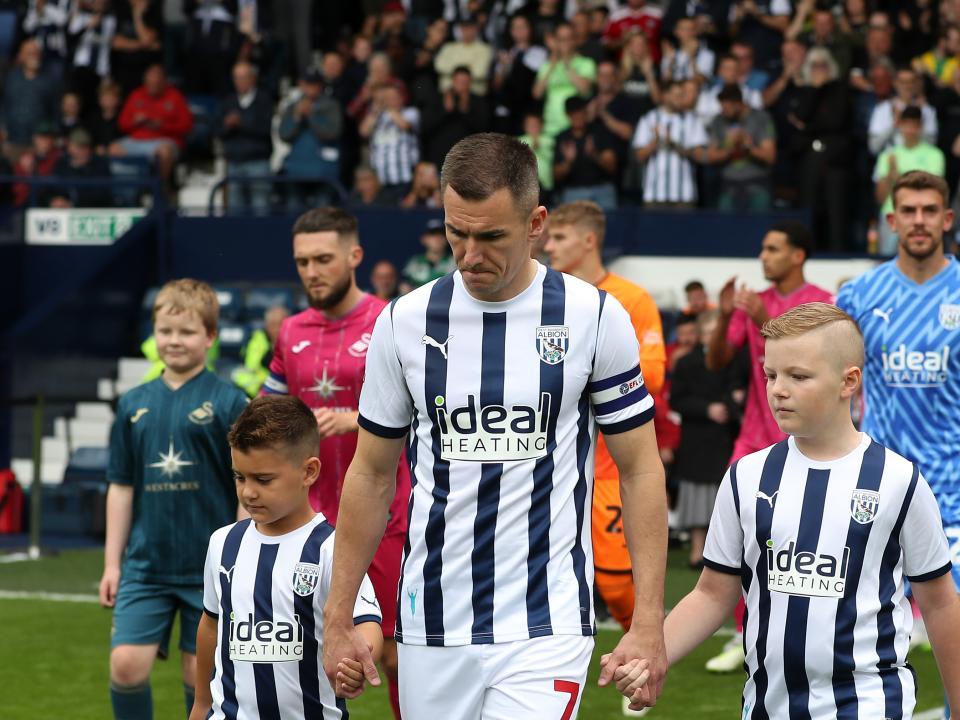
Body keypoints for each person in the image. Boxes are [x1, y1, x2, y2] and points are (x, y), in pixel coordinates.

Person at [321, 133, 669, 717]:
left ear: (536, 223)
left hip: (547, 622)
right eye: (457, 233)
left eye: (491, 236)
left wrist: (648, 622)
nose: (469, 254)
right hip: (432, 622)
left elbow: (639, 469)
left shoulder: (595, 317)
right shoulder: (405, 321)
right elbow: (372, 475)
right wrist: (337, 621)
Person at [620, 301, 960, 716]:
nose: (778, 389)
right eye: (771, 374)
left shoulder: (898, 480)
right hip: (766, 707)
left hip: (870, 705)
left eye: (798, 376)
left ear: (848, 381)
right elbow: (713, 593)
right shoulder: (746, 476)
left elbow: (941, 603)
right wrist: (651, 657)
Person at [262, 207, 411, 719]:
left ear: (355, 256)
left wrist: (357, 421)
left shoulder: (393, 321)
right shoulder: (290, 332)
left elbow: (430, 416)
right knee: (300, 652)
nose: (311, 271)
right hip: (307, 523)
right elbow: (268, 417)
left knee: (393, 653)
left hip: (386, 518)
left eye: (323, 259)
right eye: (302, 261)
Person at [836, 170, 960, 715]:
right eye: (907, 211)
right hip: (878, 489)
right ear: (891, 221)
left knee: (952, 625)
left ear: (947, 219)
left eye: (929, 210)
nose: (918, 221)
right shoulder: (859, 295)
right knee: (861, 634)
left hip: (955, 489)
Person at [99, 279, 249, 720]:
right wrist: (112, 563)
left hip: (208, 568)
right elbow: (121, 486)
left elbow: (245, 486)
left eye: (186, 332)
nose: (174, 341)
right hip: (146, 566)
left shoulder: (230, 401)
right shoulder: (132, 404)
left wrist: (242, 557)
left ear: (210, 337)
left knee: (198, 677)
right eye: (165, 331)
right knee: (125, 665)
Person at [542, 199, 666, 714]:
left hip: (612, 469)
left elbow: (654, 376)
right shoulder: (547, 300)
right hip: (555, 471)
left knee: (617, 580)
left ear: (589, 240)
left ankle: (641, 661)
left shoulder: (631, 300)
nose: (549, 247)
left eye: (560, 238)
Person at [189, 395, 384, 720]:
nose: (248, 491)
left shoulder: (333, 548)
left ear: (308, 472)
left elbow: (365, 623)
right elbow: (211, 625)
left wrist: (355, 662)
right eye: (240, 477)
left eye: (263, 480)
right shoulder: (223, 544)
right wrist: (200, 703)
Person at [703, 221, 833, 673]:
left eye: (773, 248)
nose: (764, 256)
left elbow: (806, 356)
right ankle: (745, 637)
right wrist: (723, 316)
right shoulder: (752, 301)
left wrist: (760, 319)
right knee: (742, 543)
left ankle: (801, 637)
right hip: (753, 441)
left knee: (804, 547)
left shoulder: (820, 302)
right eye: (763, 248)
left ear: (798, 255)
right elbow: (716, 361)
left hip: (806, 444)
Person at [668, 312, 736, 569]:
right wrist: (708, 409)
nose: (711, 337)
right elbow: (677, 400)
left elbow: (739, 390)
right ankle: (697, 551)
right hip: (696, 438)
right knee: (697, 496)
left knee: (723, 496)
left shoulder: (732, 361)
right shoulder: (686, 363)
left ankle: (720, 554)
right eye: (707, 333)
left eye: (715, 332)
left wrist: (729, 406)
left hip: (725, 437)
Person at [872, 107, 946, 255]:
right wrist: (890, 176)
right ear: (900, 125)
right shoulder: (888, 155)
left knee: (924, 258)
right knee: (887, 261)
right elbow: (880, 198)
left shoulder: (935, 155)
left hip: (923, 215)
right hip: (891, 214)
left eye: (914, 125)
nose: (910, 130)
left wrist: (898, 177)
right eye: (907, 124)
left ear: (921, 126)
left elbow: (936, 191)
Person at [633, 80, 708, 208]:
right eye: (677, 95)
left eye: (682, 95)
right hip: (654, 195)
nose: (681, 99)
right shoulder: (648, 119)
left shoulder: (692, 121)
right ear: (665, 96)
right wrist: (654, 143)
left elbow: (700, 155)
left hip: (684, 196)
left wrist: (673, 144)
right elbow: (639, 156)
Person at [116, 64, 193, 188]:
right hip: (137, 140)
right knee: (113, 149)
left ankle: (159, 190)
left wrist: (162, 125)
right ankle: (126, 190)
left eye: (157, 83)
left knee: (164, 152)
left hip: (164, 140)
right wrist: (135, 122)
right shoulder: (136, 95)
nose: (153, 86)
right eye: (150, 83)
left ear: (164, 81)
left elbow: (187, 126)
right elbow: (122, 124)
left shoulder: (175, 96)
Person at [705, 84, 776, 211]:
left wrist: (747, 146)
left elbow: (770, 157)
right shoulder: (719, 121)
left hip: (757, 185)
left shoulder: (760, 118)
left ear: (738, 104)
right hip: (728, 186)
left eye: (726, 108)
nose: (723, 111)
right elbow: (710, 156)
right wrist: (730, 147)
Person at [218, 61, 274, 215]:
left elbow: (265, 129)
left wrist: (242, 123)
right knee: (235, 210)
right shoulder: (228, 101)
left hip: (258, 161)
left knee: (261, 208)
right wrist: (227, 125)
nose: (240, 81)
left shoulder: (264, 100)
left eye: (244, 77)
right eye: (237, 78)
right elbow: (217, 130)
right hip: (234, 162)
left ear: (253, 78)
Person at [231, 305, 289, 398]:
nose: (276, 329)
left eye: (280, 324)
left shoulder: (294, 341)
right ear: (266, 325)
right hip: (259, 392)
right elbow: (249, 370)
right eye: (272, 325)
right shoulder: (256, 340)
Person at [400, 218, 456, 292]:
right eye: (432, 235)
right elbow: (404, 285)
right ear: (424, 239)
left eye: (441, 235)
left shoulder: (454, 262)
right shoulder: (414, 262)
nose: (437, 239)